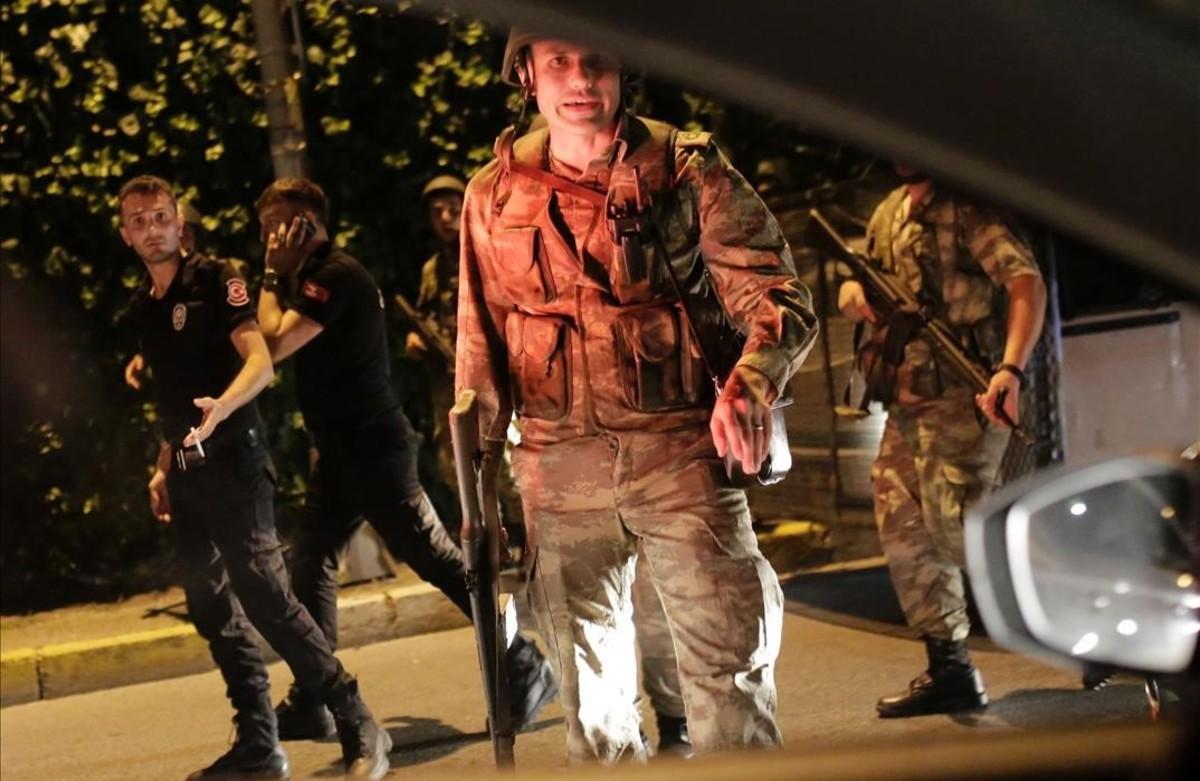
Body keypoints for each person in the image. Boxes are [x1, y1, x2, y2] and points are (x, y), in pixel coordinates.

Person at [456, 30, 818, 761]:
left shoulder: (687, 170)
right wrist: (479, 496)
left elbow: (777, 296)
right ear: (527, 73)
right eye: (557, 61)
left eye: (597, 58)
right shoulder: (492, 194)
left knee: (728, 669)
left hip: (680, 456)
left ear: (625, 68)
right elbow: (479, 349)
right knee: (591, 704)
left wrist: (752, 381)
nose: (579, 78)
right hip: (558, 476)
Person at [251, 177, 557, 741]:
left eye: (285, 226)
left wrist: (271, 274)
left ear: (313, 226)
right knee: (310, 561)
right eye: (267, 229)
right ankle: (317, 695)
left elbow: (270, 346)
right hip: (342, 453)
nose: (274, 239)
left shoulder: (334, 276)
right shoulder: (309, 282)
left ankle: (524, 663)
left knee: (442, 562)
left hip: (373, 451)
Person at [118, 175, 391, 780]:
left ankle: (359, 722)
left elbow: (261, 363)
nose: (151, 229)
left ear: (177, 220)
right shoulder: (145, 308)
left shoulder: (218, 281)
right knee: (211, 608)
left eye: (159, 216)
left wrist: (222, 406)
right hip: (187, 474)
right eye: (137, 222)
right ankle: (260, 746)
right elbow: (169, 403)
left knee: (268, 597)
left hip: (237, 462)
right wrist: (163, 467)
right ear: (126, 235)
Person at [837, 166, 1047, 718]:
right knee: (909, 537)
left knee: (963, 531)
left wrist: (1011, 371)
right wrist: (853, 292)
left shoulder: (967, 208)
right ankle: (951, 669)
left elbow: (1025, 284)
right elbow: (861, 282)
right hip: (905, 404)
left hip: (962, 399)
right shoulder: (888, 212)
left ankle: (1089, 616)